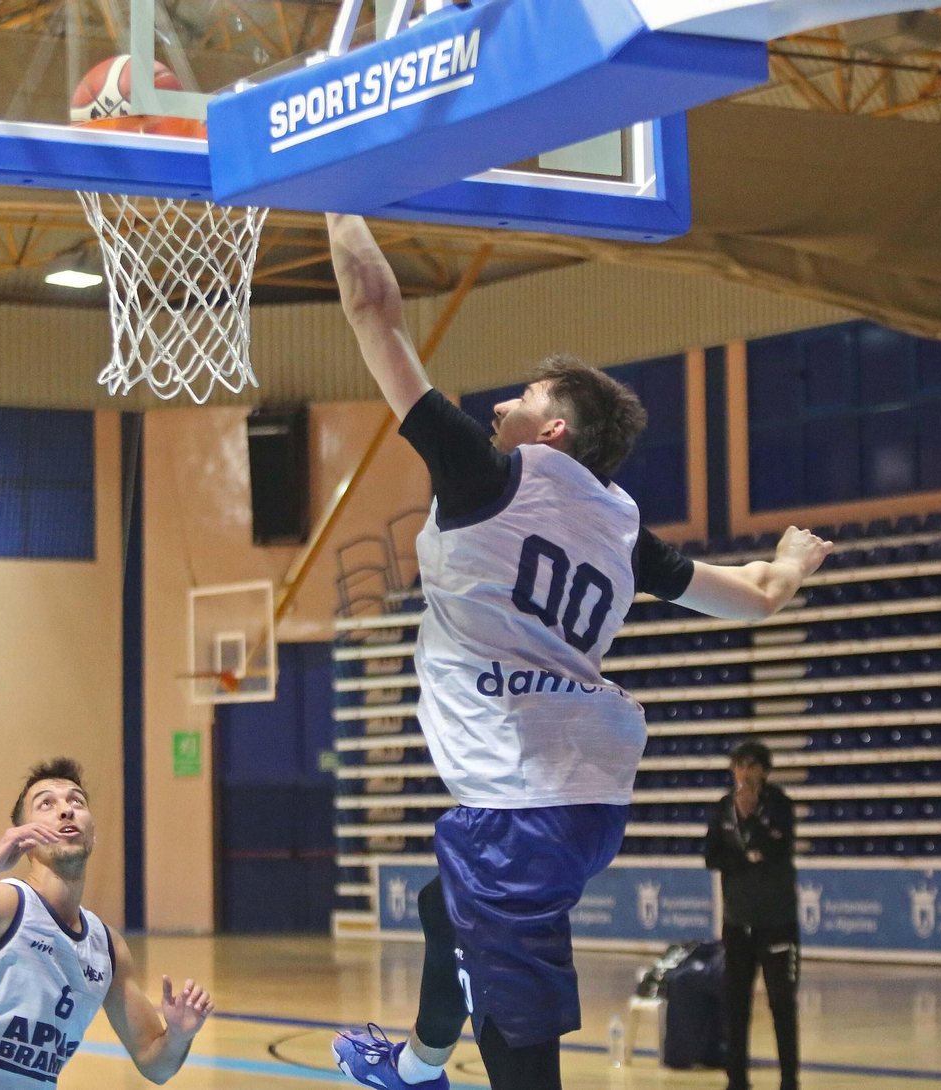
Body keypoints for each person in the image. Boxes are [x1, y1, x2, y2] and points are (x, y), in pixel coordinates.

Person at [324, 213, 833, 1090]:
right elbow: (753, 598)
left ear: (553, 432)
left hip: (519, 814)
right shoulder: (621, 533)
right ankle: (415, 1066)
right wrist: (791, 560)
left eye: (522, 399)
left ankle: (425, 1068)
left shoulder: (485, 477)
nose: (498, 407)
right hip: (586, 805)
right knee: (440, 906)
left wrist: (331, 191)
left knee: (523, 1061)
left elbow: (373, 308)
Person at [0, 757, 214, 1088]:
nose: (66, 810)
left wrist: (178, 1037)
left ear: (93, 833)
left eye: (76, 801)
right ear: (24, 836)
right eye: (46, 804)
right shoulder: (5, 905)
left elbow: (155, 1066)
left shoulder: (106, 948)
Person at [703, 739, 799, 1090]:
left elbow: (777, 847)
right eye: (739, 765)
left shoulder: (781, 806)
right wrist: (747, 854)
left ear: (765, 771)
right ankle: (737, 1080)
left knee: (782, 1004)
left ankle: (789, 1080)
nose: (745, 772)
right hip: (737, 923)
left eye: (752, 765)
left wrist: (751, 824)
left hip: (777, 923)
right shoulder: (722, 809)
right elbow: (711, 856)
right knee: (736, 1004)